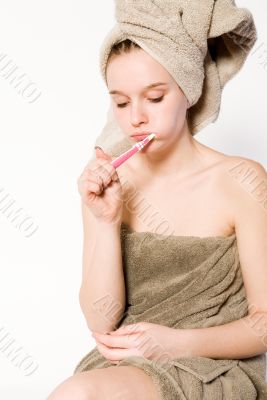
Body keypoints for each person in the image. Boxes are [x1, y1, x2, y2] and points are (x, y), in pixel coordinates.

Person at [47, 2, 267, 399]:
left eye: (154, 97)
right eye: (121, 102)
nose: (136, 119)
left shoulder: (242, 179)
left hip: (213, 371)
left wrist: (176, 344)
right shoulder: (107, 183)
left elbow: (264, 325)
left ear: (187, 90)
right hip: (124, 367)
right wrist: (105, 221)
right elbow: (101, 320)